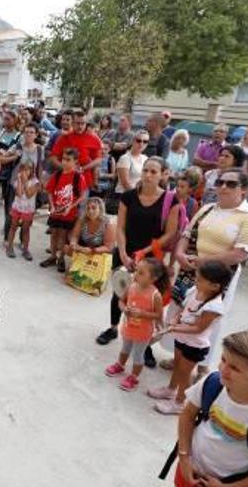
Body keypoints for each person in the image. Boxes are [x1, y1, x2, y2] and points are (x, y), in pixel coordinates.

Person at [164, 168, 248, 377]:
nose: (223, 187)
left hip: (218, 278)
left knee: (208, 321)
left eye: (231, 184)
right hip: (190, 270)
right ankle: (178, 358)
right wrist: (181, 254)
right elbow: (187, 233)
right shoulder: (208, 208)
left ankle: (201, 366)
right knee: (182, 313)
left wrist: (202, 261)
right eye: (220, 182)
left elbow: (240, 254)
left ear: (244, 190)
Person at [172, 330, 248, 487]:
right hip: (191, 468)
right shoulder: (213, 383)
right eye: (223, 359)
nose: (223, 369)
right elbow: (188, 415)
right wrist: (184, 457)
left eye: (235, 368)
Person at [96, 157, 180, 368]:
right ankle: (114, 328)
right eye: (146, 170)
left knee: (149, 299)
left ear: (163, 174)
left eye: (154, 171)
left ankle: (146, 344)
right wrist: (123, 252)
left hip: (152, 257)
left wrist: (146, 251)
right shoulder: (128, 196)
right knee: (121, 292)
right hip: (126, 251)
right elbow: (121, 227)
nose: (148, 175)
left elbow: (170, 234)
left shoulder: (171, 200)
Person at [149, 261, 232, 414]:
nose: (196, 281)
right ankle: (170, 390)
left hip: (195, 345)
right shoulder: (195, 290)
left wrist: (174, 327)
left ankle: (180, 403)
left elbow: (198, 328)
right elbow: (183, 308)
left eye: (200, 280)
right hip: (181, 339)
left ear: (215, 286)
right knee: (177, 368)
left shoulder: (213, 307)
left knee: (185, 374)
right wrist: (175, 319)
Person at [104, 257, 167, 392]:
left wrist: (142, 314)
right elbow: (121, 301)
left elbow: (158, 315)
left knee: (138, 355)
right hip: (128, 327)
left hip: (143, 332)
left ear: (153, 278)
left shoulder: (155, 295)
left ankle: (134, 377)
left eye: (141, 273)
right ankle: (120, 365)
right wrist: (124, 309)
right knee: (125, 349)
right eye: (136, 270)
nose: (135, 274)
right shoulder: (131, 286)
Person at [42, 148, 88, 272]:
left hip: (68, 213)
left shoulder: (78, 177)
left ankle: (61, 258)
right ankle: (52, 256)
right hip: (55, 211)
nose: (65, 162)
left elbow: (82, 195)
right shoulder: (57, 175)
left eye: (68, 160)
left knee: (62, 235)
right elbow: (50, 191)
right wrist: (51, 205)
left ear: (75, 162)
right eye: (63, 159)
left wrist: (70, 207)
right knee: (53, 233)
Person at [50, 109, 103, 193]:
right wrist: (67, 169)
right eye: (77, 123)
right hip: (66, 181)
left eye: (83, 123)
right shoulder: (64, 138)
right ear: (72, 123)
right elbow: (53, 158)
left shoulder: (92, 138)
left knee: (82, 205)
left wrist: (83, 168)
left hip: (85, 181)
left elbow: (98, 159)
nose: (80, 126)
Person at [0, 110, 23, 233]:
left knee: (9, 200)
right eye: (5, 119)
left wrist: (2, 159)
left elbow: (18, 155)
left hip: (10, 172)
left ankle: (6, 226)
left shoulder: (19, 136)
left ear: (15, 120)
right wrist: (4, 158)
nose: (5, 121)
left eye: (8, 119)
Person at [6, 161, 40, 260]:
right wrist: (21, 181)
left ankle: (26, 249)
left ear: (32, 171)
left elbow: (29, 194)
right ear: (20, 170)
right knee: (13, 227)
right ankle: (9, 247)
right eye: (24, 169)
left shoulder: (35, 182)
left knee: (26, 229)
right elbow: (19, 194)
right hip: (17, 207)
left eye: (28, 169)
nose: (26, 172)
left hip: (28, 210)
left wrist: (25, 182)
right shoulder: (17, 181)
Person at [115, 130, 149, 194]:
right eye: (138, 140)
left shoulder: (145, 158)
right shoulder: (125, 158)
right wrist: (138, 196)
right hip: (124, 195)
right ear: (133, 141)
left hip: (138, 194)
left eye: (145, 141)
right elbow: (125, 183)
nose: (141, 144)